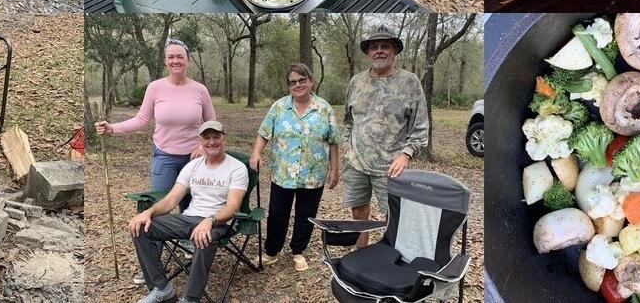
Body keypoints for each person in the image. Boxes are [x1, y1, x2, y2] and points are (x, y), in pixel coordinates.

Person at [94, 38, 215, 284]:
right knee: (159, 210)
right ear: (165, 61)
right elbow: (141, 120)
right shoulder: (155, 88)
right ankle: (152, 264)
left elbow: (212, 125)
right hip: (164, 157)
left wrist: (202, 147)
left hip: (195, 161)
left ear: (187, 60)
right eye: (170, 57)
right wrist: (112, 128)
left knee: (192, 208)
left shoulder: (200, 90)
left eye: (179, 56)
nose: (175, 61)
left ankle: (190, 248)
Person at [129, 121, 248, 303]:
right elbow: (171, 200)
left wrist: (210, 220)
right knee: (142, 227)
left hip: (219, 221)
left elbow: (232, 207)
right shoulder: (192, 166)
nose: (212, 142)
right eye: (206, 138)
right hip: (189, 218)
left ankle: (190, 298)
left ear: (224, 138)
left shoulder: (237, 168)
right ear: (200, 140)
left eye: (216, 137)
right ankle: (161, 289)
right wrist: (148, 213)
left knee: (204, 237)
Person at [341, 27, 429, 247]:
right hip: (356, 163)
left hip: (390, 167)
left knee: (393, 215)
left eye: (385, 46)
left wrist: (406, 155)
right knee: (359, 212)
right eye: (374, 47)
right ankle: (361, 253)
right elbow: (348, 120)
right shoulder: (356, 82)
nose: (379, 51)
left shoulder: (409, 82)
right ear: (368, 52)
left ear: (394, 51)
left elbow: (420, 127)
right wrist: (347, 147)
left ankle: (392, 256)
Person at [249, 63, 340, 272]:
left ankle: (298, 251)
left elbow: (334, 141)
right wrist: (256, 153)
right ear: (288, 85)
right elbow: (264, 133)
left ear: (311, 81)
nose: (297, 85)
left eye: (302, 80)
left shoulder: (324, 108)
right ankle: (271, 252)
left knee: (306, 214)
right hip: (283, 173)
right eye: (293, 82)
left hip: (313, 173)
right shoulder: (279, 107)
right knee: (277, 213)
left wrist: (334, 170)